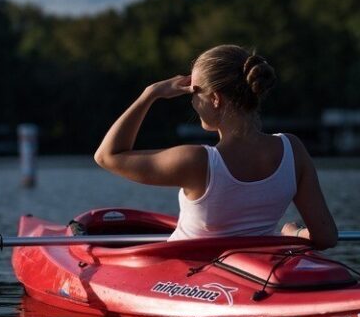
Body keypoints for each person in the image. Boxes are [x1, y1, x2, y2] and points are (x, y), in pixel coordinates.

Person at [94, 44, 338, 249]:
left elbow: (107, 155)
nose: (191, 100)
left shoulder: (197, 161)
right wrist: (292, 235)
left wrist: (150, 94)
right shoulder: (292, 150)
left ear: (215, 99)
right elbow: (326, 237)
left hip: (186, 281)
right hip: (250, 276)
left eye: (194, 92)